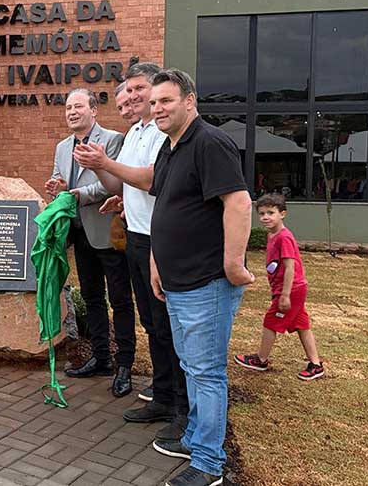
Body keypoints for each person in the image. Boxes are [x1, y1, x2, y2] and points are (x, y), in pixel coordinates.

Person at [146, 68, 254, 486]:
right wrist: (158, 263)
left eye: (166, 101)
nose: (157, 109)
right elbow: (164, 209)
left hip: (206, 284)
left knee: (207, 372)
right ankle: (194, 437)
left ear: (189, 101)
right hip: (177, 282)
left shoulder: (210, 142)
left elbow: (239, 203)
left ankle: (209, 463)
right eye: (154, 102)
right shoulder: (168, 147)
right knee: (192, 367)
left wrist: (232, 265)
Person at [74, 62, 189, 440]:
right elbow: (121, 182)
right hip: (137, 236)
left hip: (161, 239)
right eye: (128, 95)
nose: (134, 100)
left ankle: (179, 404)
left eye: (140, 90)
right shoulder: (136, 133)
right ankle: (162, 392)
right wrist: (109, 183)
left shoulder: (161, 133)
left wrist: (105, 163)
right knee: (153, 323)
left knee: (167, 325)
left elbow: (154, 179)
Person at [45, 88, 134, 394]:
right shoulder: (61, 147)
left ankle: (125, 365)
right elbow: (62, 183)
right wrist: (58, 187)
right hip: (80, 233)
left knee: (120, 299)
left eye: (78, 106)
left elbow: (114, 184)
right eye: (68, 107)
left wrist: (78, 194)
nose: (71, 112)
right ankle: (101, 357)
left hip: (109, 232)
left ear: (94, 110)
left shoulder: (112, 140)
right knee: (92, 298)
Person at [234, 193, 324, 380]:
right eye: (262, 213)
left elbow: (291, 267)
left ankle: (261, 359)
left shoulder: (284, 237)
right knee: (302, 325)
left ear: (282, 214)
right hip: (288, 289)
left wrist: (285, 295)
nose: (265, 217)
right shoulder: (273, 235)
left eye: (271, 213)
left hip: (292, 289)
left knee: (271, 322)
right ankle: (316, 364)